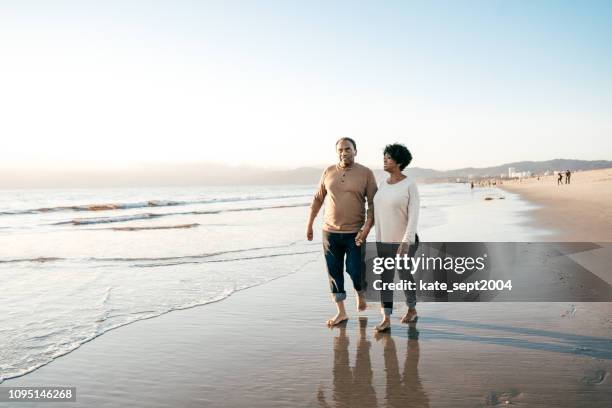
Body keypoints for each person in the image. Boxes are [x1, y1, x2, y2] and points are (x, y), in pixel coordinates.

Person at [307, 137, 377, 327]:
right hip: (329, 232)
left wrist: (366, 229)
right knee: (334, 272)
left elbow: (373, 204)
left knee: (355, 269)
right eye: (340, 150)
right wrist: (310, 223)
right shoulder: (328, 171)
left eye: (347, 149)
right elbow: (318, 198)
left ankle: (360, 292)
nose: (343, 152)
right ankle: (341, 313)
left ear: (355, 151)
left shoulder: (366, 173)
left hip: (355, 232)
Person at [372, 143, 420, 332]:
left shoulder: (410, 185)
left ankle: (412, 308)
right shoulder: (383, 184)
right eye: (384, 156)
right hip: (383, 240)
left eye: (389, 157)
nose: (384, 159)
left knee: (404, 275)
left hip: (404, 241)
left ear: (399, 161)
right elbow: (378, 213)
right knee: (385, 278)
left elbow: (414, 215)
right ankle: (386, 318)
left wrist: (406, 241)